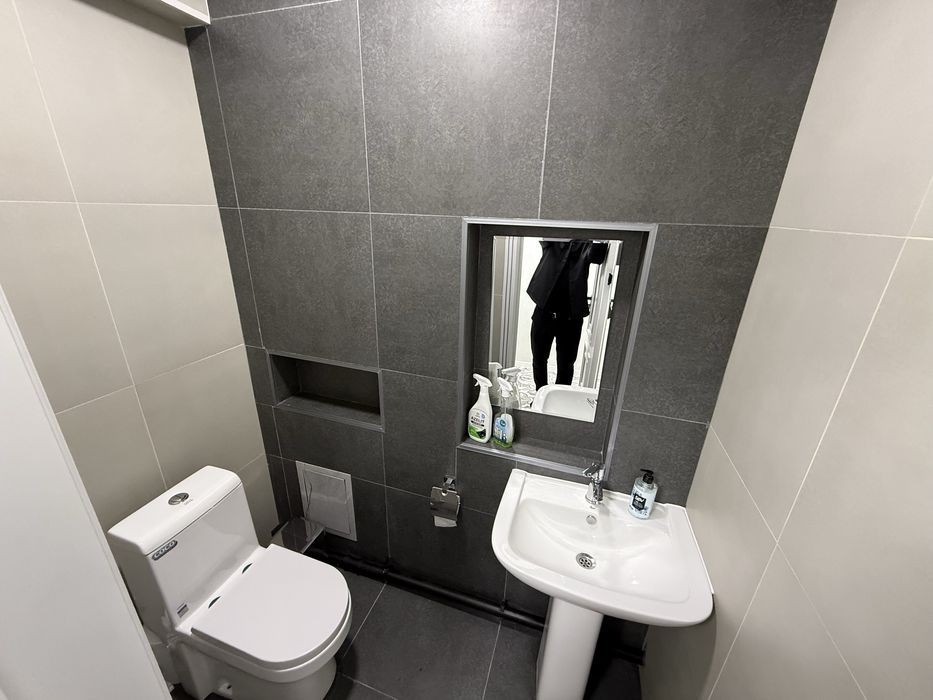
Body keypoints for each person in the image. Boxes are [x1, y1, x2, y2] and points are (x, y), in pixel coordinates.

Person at [526, 240, 608, 390]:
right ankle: (540, 394)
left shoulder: (586, 244)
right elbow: (546, 236)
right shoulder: (555, 241)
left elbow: (597, 256)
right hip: (544, 313)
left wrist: (596, 235)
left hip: (571, 319)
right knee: (538, 359)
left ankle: (560, 398)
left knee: (566, 365)